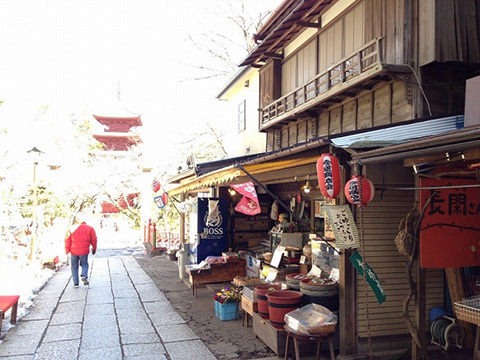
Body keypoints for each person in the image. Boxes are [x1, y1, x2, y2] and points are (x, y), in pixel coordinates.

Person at [64, 212, 97, 288]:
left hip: (73, 251)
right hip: (84, 251)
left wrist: (67, 250)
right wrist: (94, 248)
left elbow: (67, 240)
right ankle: (84, 275)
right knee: (84, 264)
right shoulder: (90, 228)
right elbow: (94, 240)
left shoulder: (70, 228)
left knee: (74, 266)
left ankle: (76, 283)